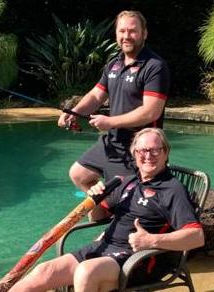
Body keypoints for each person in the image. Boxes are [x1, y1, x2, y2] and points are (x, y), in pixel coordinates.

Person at [10, 128, 205, 291]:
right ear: (134, 153)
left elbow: (196, 237)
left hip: (138, 259)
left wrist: (151, 240)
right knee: (43, 272)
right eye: (142, 151)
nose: (148, 156)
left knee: (86, 273)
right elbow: (98, 218)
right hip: (104, 248)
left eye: (155, 150)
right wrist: (94, 199)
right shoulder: (128, 181)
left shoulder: (172, 189)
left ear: (166, 153)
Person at [58, 10, 170, 192]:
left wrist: (110, 122)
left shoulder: (154, 66)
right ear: (116, 33)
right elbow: (96, 95)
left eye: (133, 31)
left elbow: (151, 112)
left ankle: (113, 210)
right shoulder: (114, 64)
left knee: (125, 200)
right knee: (79, 174)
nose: (127, 36)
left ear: (144, 33)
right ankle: (105, 208)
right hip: (112, 142)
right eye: (122, 31)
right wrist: (74, 111)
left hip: (138, 148)